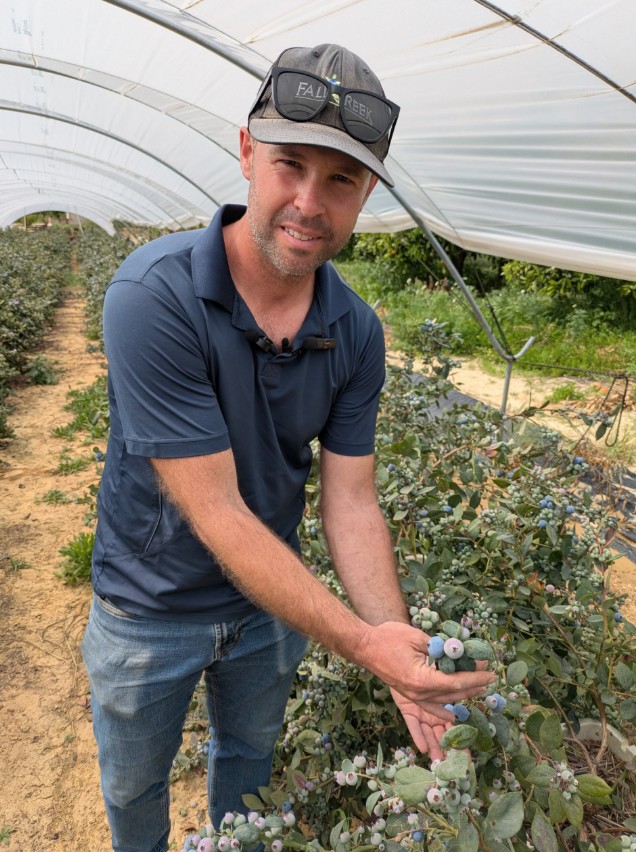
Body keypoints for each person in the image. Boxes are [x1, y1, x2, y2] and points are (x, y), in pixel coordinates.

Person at [82, 43, 495, 852]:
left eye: (340, 179)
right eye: (289, 165)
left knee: (250, 764)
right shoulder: (153, 295)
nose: (310, 201)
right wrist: (361, 645)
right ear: (246, 153)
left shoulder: (355, 331)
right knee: (134, 784)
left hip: (270, 608)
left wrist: (397, 651)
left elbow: (351, 501)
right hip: (148, 609)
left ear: (366, 192)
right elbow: (216, 508)